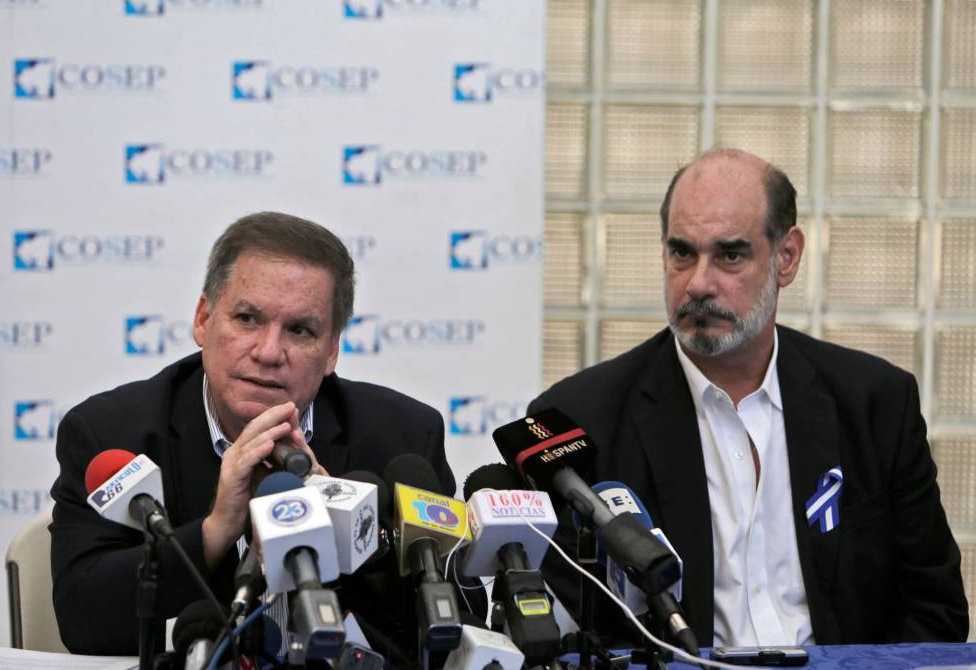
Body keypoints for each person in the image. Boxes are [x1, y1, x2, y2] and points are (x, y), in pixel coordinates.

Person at [529, 149, 969, 646]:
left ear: (786, 257)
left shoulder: (875, 404)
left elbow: (935, 616)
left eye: (730, 255)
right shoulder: (579, 420)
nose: (698, 283)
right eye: (682, 253)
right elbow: (568, 634)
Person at [50, 212, 459, 655]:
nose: (268, 352)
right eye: (247, 319)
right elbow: (82, 620)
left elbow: (452, 625)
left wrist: (344, 548)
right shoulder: (110, 433)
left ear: (331, 351)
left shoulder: (404, 436)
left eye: (300, 330)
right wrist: (215, 530)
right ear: (204, 319)